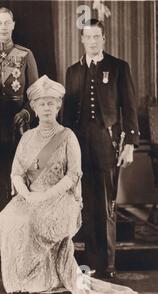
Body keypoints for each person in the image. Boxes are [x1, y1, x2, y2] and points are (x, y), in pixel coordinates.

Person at [0, 75, 137, 294]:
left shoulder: (67, 136)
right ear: (33, 107)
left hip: (61, 196)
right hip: (30, 195)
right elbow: (16, 173)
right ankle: (20, 278)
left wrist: (46, 196)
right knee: (7, 218)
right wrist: (27, 195)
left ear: (58, 106)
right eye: (41, 103)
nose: (46, 108)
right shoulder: (27, 138)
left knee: (34, 220)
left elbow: (73, 175)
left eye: (50, 103)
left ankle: (44, 278)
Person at [63, 19, 139, 278]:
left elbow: (129, 109)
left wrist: (129, 144)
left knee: (106, 204)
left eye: (97, 36)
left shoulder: (118, 67)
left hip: (107, 143)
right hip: (79, 144)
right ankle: (91, 262)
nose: (92, 41)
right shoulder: (72, 71)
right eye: (88, 36)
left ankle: (109, 264)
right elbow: (67, 115)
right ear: (82, 39)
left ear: (103, 39)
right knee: (85, 202)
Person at [0, 7, 39, 250]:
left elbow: (34, 94)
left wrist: (26, 113)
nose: (3, 27)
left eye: (7, 23)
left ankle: (22, 236)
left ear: (13, 25)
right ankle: (1, 237)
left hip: (18, 129)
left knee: (21, 183)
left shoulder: (25, 55)